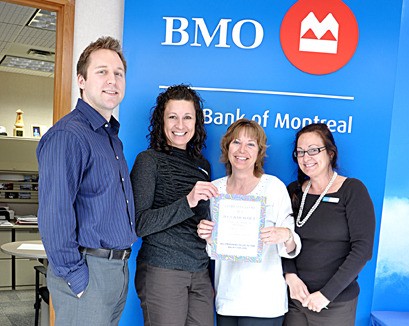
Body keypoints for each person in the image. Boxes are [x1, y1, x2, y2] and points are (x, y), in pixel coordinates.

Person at [37, 36, 137, 326]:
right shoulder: (68, 135)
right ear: (81, 80)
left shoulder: (109, 138)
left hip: (115, 271)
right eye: (102, 71)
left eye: (118, 73)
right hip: (87, 272)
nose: (112, 80)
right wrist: (75, 277)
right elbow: (55, 214)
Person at [197, 118, 302, 326]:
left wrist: (285, 235)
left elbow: (291, 246)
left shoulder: (274, 187)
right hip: (226, 299)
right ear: (227, 147)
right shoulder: (214, 190)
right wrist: (208, 237)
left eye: (250, 144)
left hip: (263, 303)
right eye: (236, 142)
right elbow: (212, 251)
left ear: (259, 152)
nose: (242, 149)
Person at [130, 84, 218, 326]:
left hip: (200, 271)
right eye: (173, 117)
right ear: (162, 121)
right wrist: (188, 201)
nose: (180, 125)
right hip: (162, 269)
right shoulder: (148, 161)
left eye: (187, 117)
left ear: (196, 122)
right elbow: (139, 224)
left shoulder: (203, 166)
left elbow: (201, 221)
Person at [282, 123, 375, 326]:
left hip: (335, 303)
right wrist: (290, 276)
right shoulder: (293, 191)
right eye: (300, 152)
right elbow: (282, 237)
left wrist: (326, 295)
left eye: (314, 150)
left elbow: (363, 249)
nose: (306, 158)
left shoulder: (352, 190)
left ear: (331, 153)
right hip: (296, 300)